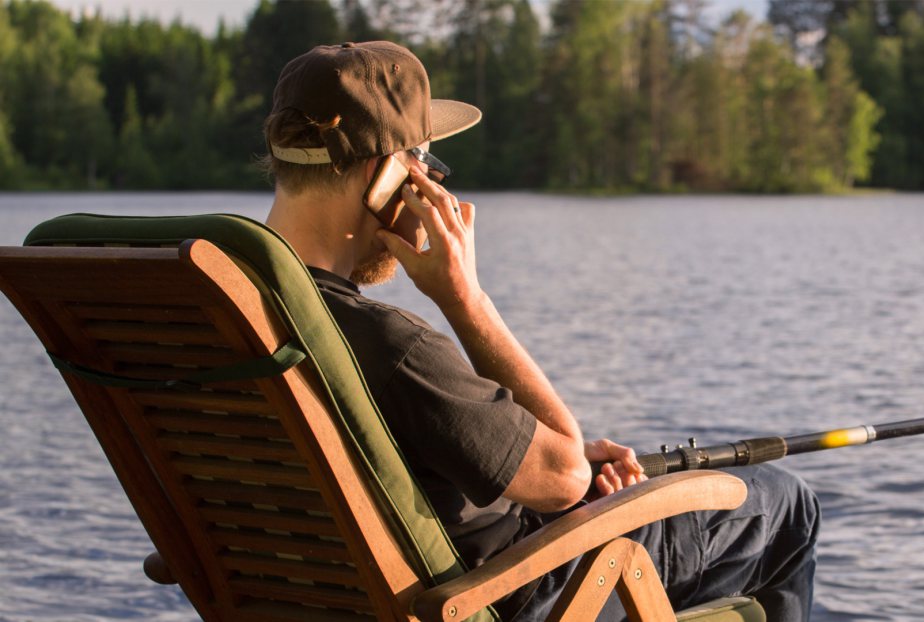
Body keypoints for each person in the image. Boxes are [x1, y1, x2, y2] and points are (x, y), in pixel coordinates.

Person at [260, 41, 819, 620]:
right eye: (425, 162)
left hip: (311, 592)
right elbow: (565, 477)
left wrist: (520, 448)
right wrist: (466, 298)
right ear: (390, 173)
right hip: (515, 587)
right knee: (784, 507)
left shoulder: (217, 315)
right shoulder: (384, 344)